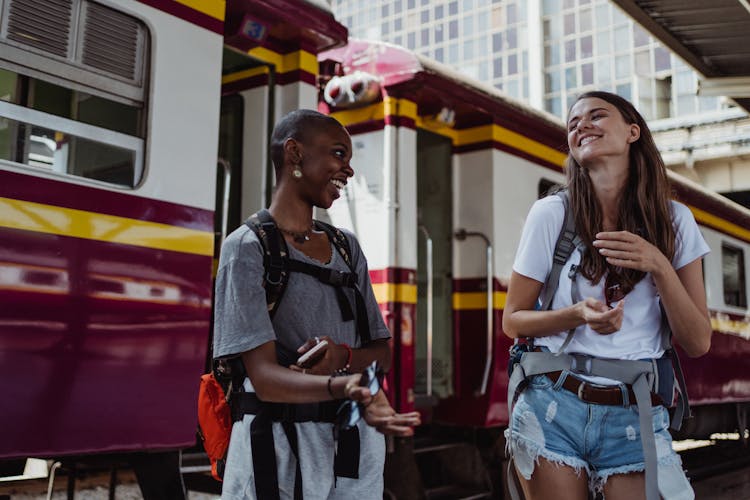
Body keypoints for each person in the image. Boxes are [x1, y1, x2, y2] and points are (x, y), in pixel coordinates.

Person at [503, 91, 711, 500]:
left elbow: (698, 341)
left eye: (597, 115)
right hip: (552, 404)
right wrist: (576, 314)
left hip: (636, 409)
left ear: (633, 131)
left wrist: (659, 265)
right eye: (573, 123)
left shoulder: (675, 221)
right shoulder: (552, 214)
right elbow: (513, 320)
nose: (581, 125)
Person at [213, 109, 420, 500]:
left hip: (350, 448)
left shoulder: (346, 247)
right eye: (339, 154)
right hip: (274, 452)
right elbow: (264, 380)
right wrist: (347, 386)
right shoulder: (246, 248)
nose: (349, 171)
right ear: (294, 153)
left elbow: (382, 355)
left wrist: (340, 355)